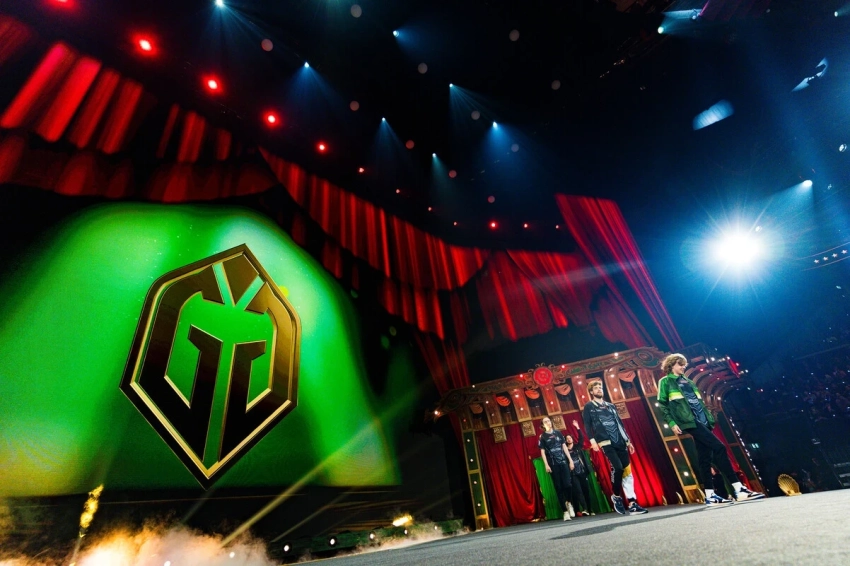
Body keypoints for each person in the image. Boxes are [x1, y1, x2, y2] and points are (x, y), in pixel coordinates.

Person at [656, 353, 765, 506]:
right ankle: (738, 489)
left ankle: (710, 495)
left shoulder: (688, 381)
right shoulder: (665, 381)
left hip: (703, 421)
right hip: (689, 421)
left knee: (704, 459)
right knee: (719, 447)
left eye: (684, 364)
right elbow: (663, 404)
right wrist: (672, 422)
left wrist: (709, 419)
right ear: (672, 364)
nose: (683, 367)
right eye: (680, 364)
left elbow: (698, 402)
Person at [582, 380, 648, 516]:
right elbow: (587, 425)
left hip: (620, 441)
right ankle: (616, 496)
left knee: (627, 472)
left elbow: (619, 423)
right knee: (618, 468)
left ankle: (632, 503)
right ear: (591, 392)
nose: (599, 389)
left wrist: (628, 441)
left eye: (600, 387)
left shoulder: (610, 406)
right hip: (605, 441)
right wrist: (592, 441)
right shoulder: (589, 406)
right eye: (596, 388)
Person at [538, 416, 574, 520]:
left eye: (549, 420)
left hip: (563, 462)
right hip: (553, 464)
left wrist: (570, 460)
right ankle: (565, 512)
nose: (548, 422)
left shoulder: (558, 433)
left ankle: (569, 503)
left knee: (568, 484)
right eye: (545, 421)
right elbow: (542, 452)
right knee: (558, 487)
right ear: (543, 425)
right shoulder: (542, 437)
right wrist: (546, 464)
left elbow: (564, 447)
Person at [565, 420, 594, 516]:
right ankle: (585, 509)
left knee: (586, 491)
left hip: (582, 471)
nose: (569, 439)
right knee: (579, 491)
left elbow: (581, 438)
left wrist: (577, 427)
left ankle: (590, 509)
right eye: (567, 439)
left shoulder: (577, 446)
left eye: (570, 438)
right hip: (573, 473)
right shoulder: (565, 451)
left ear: (572, 439)